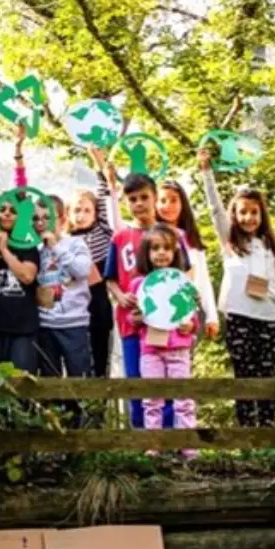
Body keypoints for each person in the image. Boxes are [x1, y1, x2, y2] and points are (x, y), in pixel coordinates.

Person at [199, 149, 275, 427]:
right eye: (243, 212)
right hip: (240, 317)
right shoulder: (230, 243)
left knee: (266, 374)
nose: (249, 218)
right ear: (235, 214)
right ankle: (246, 432)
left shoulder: (269, 248)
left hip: (268, 318)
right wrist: (207, 172)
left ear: (261, 215)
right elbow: (215, 209)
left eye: (254, 212)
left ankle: (267, 430)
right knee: (244, 373)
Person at [102, 169, 181, 429]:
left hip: (164, 322)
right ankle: (141, 439)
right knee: (136, 378)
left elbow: (184, 276)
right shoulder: (120, 237)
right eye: (132, 199)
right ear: (126, 202)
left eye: (144, 197)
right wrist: (120, 295)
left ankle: (170, 439)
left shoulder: (172, 236)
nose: (139, 204)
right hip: (132, 322)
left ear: (154, 198)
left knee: (167, 379)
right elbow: (110, 277)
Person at [129, 226, 198, 430]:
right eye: (155, 248)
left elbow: (192, 317)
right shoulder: (139, 284)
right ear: (146, 253)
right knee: (152, 398)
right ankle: (155, 445)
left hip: (178, 350)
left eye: (166, 248)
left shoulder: (182, 282)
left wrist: (190, 325)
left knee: (183, 398)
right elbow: (131, 319)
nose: (161, 252)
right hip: (151, 350)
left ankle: (187, 446)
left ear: (174, 252)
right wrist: (138, 318)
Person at [35, 195, 94, 427]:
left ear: (60, 218)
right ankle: (56, 430)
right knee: (50, 380)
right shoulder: (35, 249)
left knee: (78, 377)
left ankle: (82, 427)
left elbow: (82, 271)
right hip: (45, 323)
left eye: (47, 217)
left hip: (73, 323)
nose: (40, 223)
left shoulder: (75, 243)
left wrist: (56, 246)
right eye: (36, 218)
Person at [70, 146, 121, 380]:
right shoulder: (67, 240)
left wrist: (99, 164)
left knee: (100, 352)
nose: (81, 214)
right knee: (78, 354)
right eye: (77, 210)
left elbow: (104, 198)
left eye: (86, 210)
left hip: (98, 299)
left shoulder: (102, 231)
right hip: (74, 302)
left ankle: (99, 402)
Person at [0, 190, 40, 372]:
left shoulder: (28, 245)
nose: (6, 213)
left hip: (23, 328)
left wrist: (4, 251)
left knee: (22, 383)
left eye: (13, 210)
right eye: (2, 209)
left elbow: (27, 276)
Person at [157, 180, 219, 338]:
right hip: (158, 311)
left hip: (186, 314)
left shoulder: (191, 241)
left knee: (183, 359)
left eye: (173, 200)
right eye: (162, 200)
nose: (168, 205)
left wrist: (212, 316)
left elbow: (203, 279)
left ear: (183, 203)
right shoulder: (151, 237)